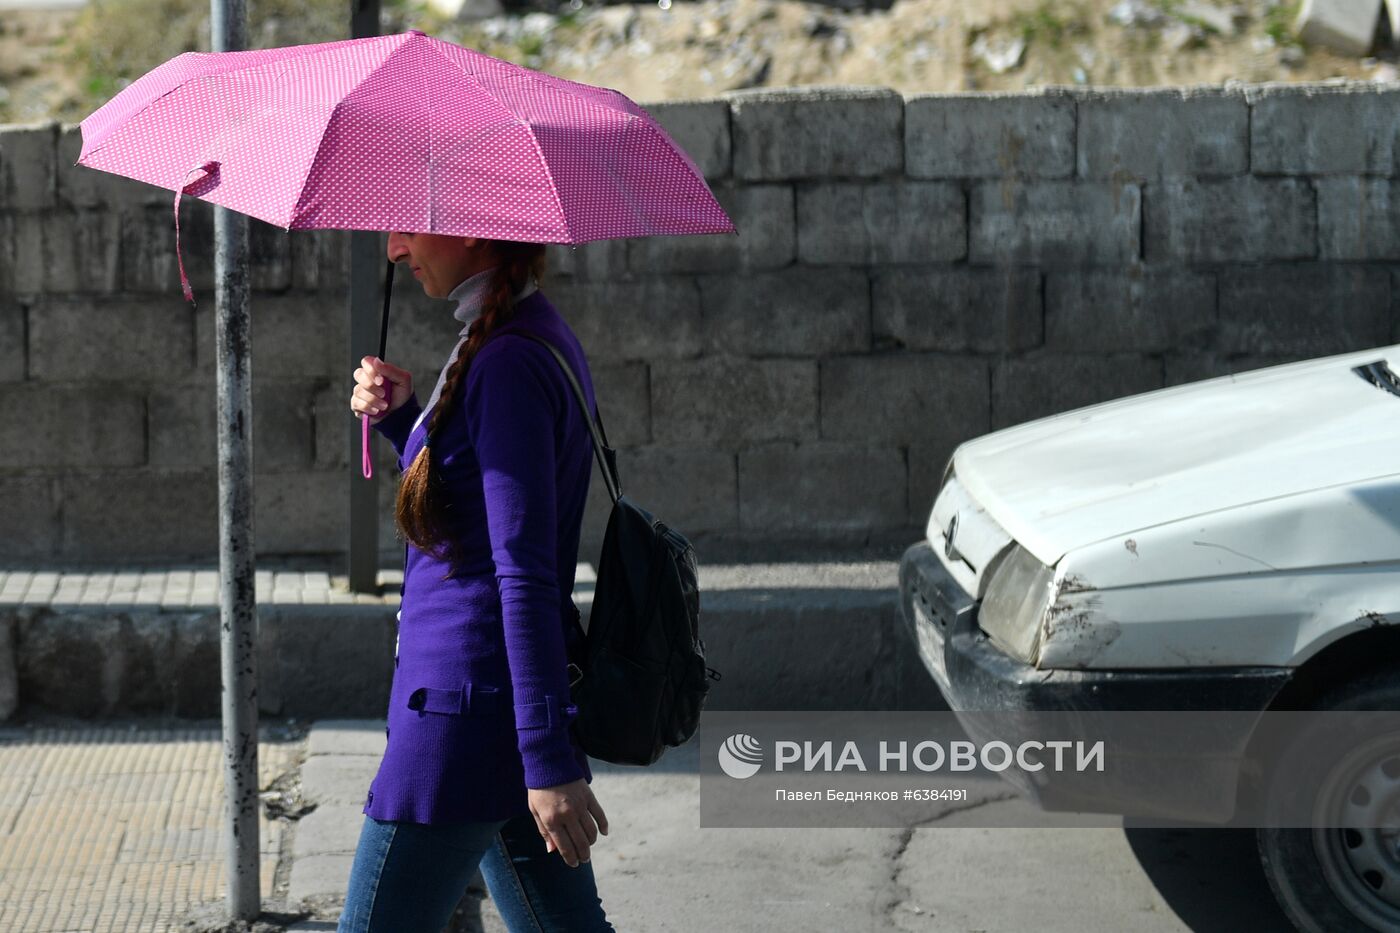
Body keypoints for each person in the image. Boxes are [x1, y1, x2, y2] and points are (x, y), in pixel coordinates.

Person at [338, 231, 613, 933]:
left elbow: (523, 572)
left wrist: (549, 759)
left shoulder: (509, 361)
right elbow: (474, 509)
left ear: (468, 225)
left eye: (407, 226)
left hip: (463, 720)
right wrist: (404, 418)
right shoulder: (509, 337)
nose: (395, 249)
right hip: (488, 712)